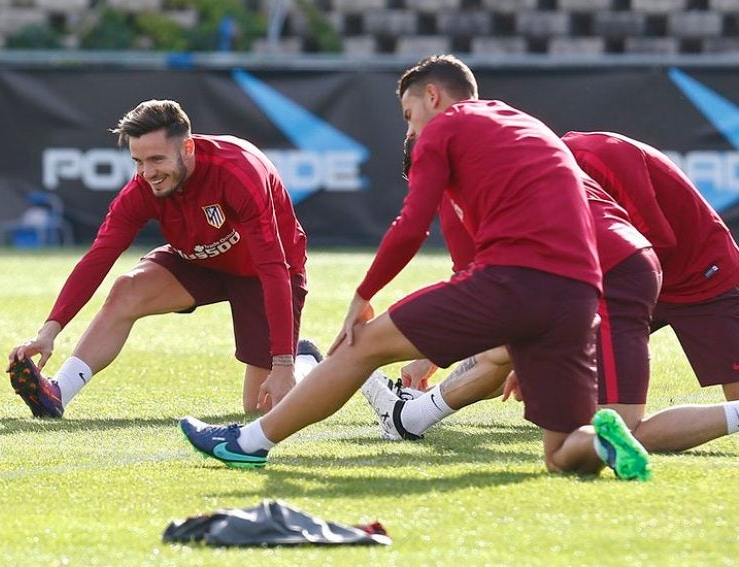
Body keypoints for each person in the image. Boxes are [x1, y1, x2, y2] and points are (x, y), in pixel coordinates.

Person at [180, 55, 651, 480]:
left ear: (433, 96)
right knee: (562, 451)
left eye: (409, 115)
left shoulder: (445, 127)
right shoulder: (523, 123)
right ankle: (602, 441)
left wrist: (363, 295)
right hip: (579, 295)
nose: (410, 131)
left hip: (514, 279)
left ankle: (248, 443)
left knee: (359, 343)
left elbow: (410, 226)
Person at [359, 149, 739, 452]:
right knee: (509, 348)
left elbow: (651, 246)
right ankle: (411, 415)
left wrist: (551, 348)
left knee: (620, 433)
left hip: (696, 276)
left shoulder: (584, 158)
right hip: (628, 278)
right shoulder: (505, 184)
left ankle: (411, 416)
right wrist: (435, 354)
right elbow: (484, 291)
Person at [8, 99, 309, 417]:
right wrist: (49, 331)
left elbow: (273, 267)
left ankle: (305, 361)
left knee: (260, 407)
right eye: (138, 161)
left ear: (188, 148)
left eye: (156, 159)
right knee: (128, 288)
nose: (147, 173)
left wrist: (284, 362)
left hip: (263, 273)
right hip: (200, 261)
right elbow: (99, 257)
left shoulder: (239, 172)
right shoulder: (142, 189)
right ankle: (57, 393)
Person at [562, 131, 739, 400]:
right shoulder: (548, 175)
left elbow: (658, 239)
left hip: (702, 277)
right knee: (513, 346)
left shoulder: (598, 153)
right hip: (633, 277)